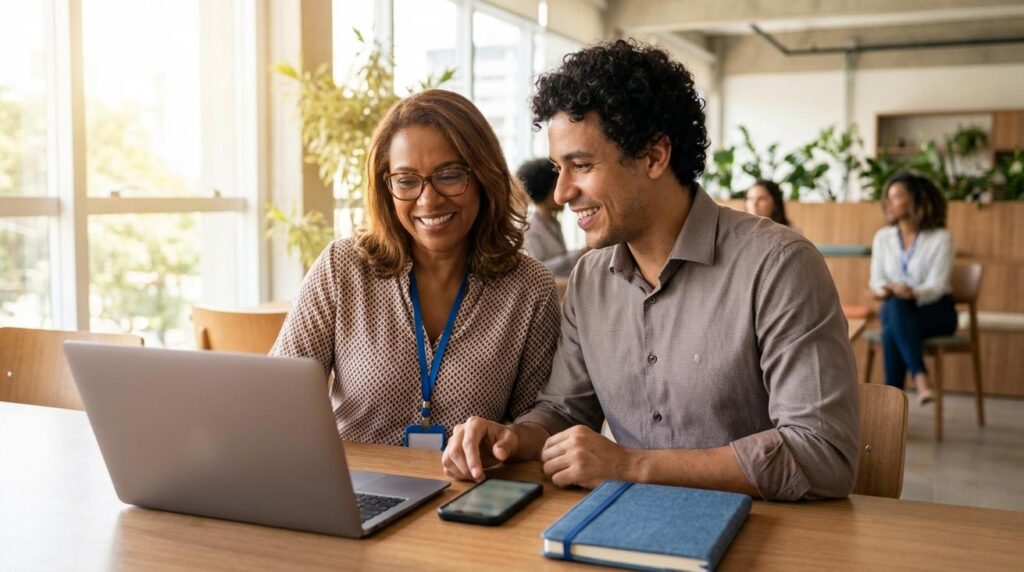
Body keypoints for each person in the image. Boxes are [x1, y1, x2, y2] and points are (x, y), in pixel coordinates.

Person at [442, 40, 859, 501]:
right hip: (631, 524)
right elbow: (565, 410)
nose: (561, 193)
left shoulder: (779, 265)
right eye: (558, 168)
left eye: (581, 165)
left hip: (766, 534)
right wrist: (514, 438)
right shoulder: (591, 279)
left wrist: (632, 466)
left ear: (655, 157)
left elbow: (823, 455)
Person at [271, 89, 560, 448]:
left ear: (485, 177)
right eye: (407, 181)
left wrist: (512, 440)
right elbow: (278, 399)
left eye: (450, 175)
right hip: (353, 491)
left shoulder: (530, 287)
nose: (428, 200)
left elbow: (539, 421)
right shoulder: (341, 267)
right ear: (386, 187)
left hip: (469, 490)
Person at [869, 172, 956, 405]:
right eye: (887, 197)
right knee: (894, 312)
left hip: (935, 312)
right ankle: (920, 378)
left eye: (896, 196)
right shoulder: (883, 238)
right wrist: (888, 287)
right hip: (897, 309)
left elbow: (937, 286)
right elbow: (876, 280)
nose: (889, 202)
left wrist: (912, 292)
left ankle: (890, 408)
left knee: (893, 319)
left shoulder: (940, 238)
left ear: (917, 200)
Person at [518, 158, 588, 276]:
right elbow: (537, 270)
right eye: (556, 186)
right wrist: (580, 254)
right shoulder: (529, 229)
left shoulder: (553, 222)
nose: (563, 193)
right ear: (545, 190)